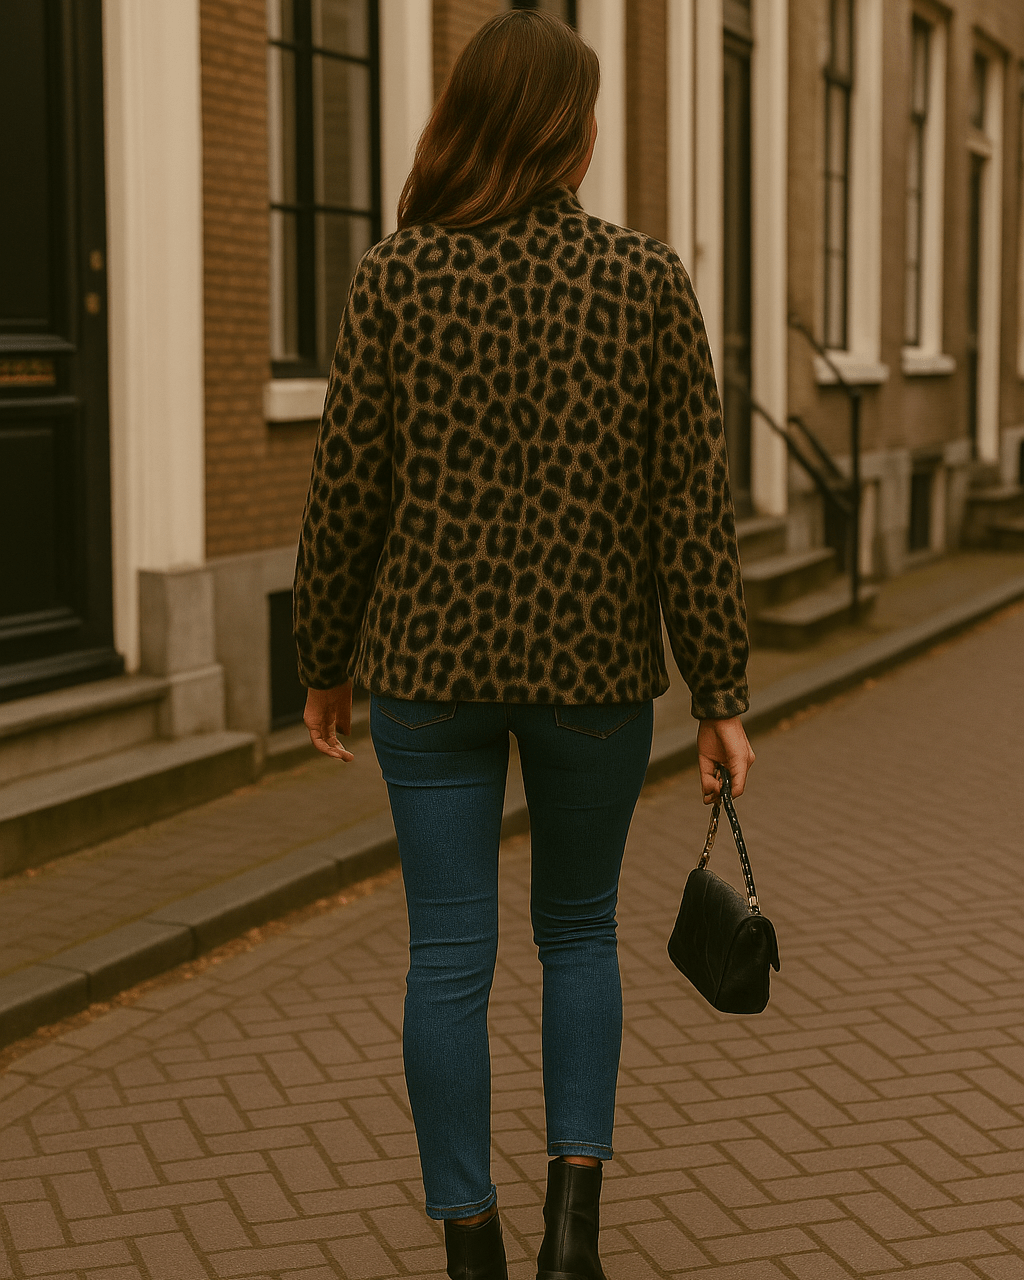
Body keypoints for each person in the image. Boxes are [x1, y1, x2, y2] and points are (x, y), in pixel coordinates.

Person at [294, 10, 754, 1280]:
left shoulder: (395, 276)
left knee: (447, 955)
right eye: (588, 111)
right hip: (591, 675)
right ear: (564, 130)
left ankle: (470, 1246)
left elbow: (345, 493)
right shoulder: (646, 281)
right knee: (578, 935)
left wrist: (322, 660)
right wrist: (720, 691)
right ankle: (571, 1240)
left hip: (427, 674)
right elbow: (689, 508)